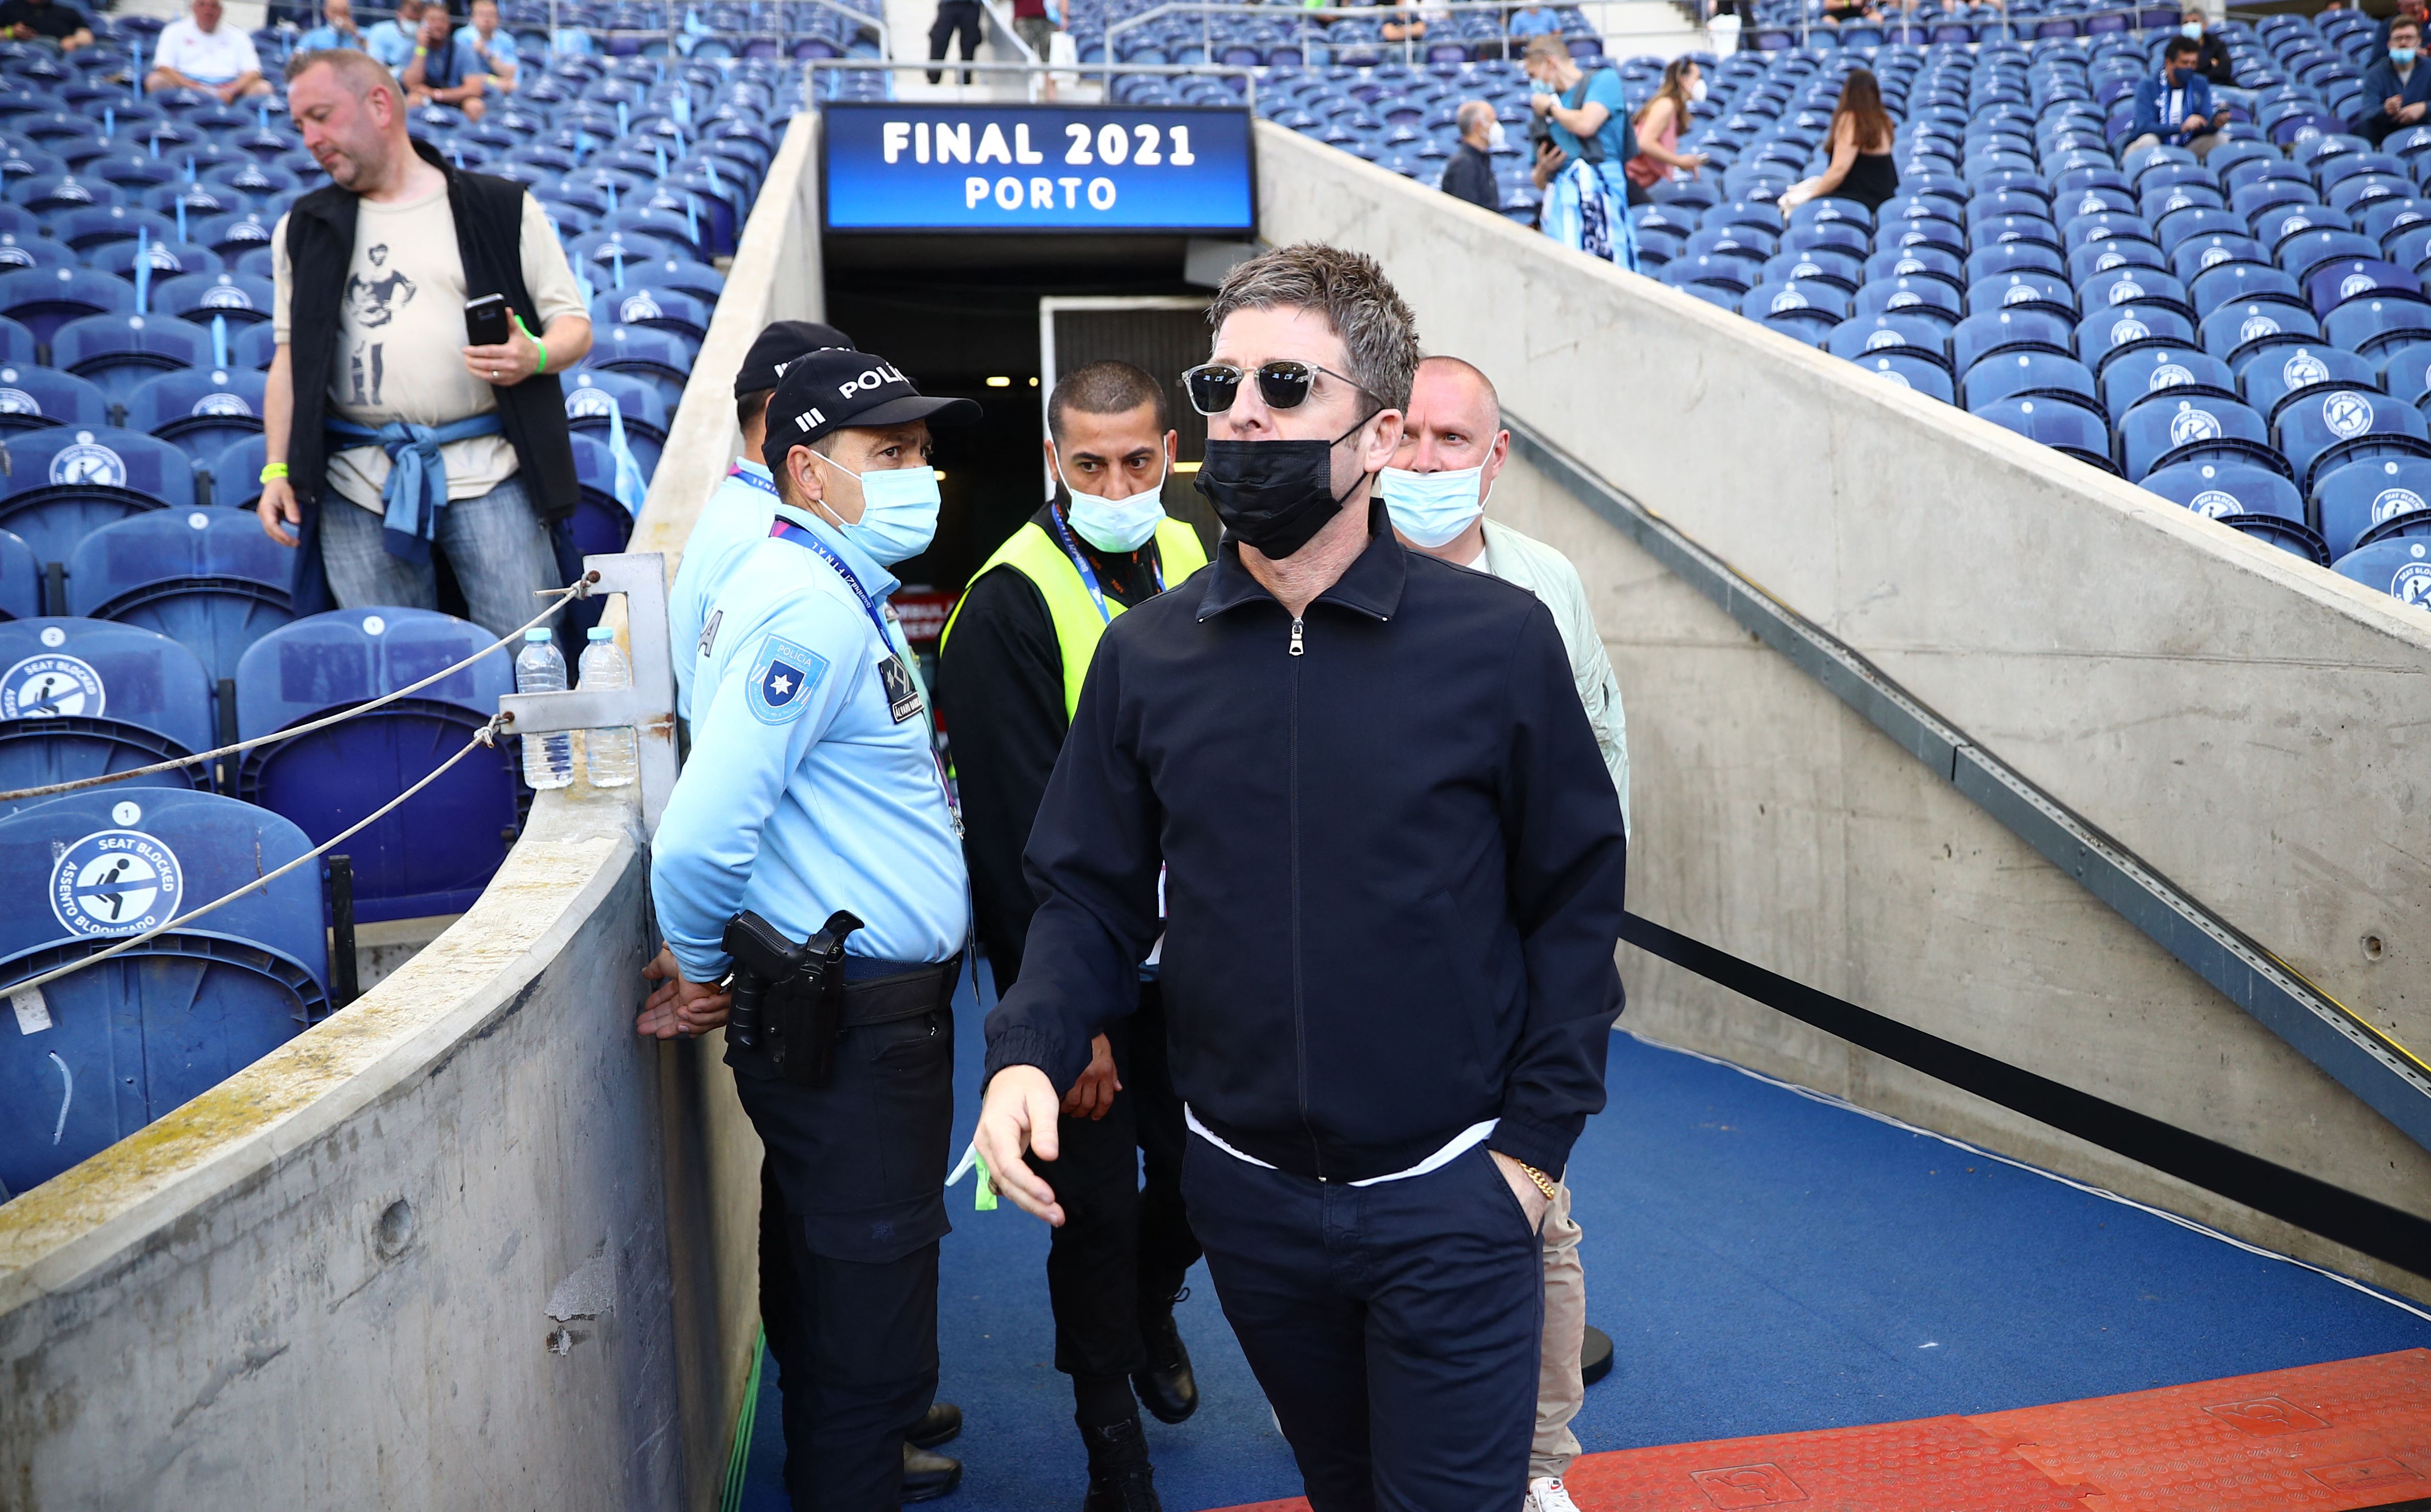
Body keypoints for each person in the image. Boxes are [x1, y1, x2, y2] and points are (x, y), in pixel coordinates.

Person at [971, 242, 1630, 1512]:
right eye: (1220, 387)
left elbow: (1570, 897)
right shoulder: (1146, 656)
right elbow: (1088, 895)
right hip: (1248, 1204)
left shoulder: (1497, 644)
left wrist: (1532, 1149)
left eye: (1285, 385)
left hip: (1457, 1194)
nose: (1241, 416)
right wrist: (1023, 1051)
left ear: (1377, 433)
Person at [643, 349, 980, 1510]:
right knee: (862, 1319)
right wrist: (693, 972)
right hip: (855, 1028)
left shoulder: (824, 584)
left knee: (828, 1272)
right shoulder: (804, 604)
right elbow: (697, 838)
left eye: (919, 451)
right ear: (805, 469)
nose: (917, 474)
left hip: (858, 1019)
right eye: (887, 454)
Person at [934, 362, 1210, 1512]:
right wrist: (1070, 1024)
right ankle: (1115, 1458)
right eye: (1089, 463)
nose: (1116, 481)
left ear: (1169, 455)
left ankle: (1157, 1300)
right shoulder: (1006, 600)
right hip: (1087, 974)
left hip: (1201, 965)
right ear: (1054, 461)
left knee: (1207, 1187)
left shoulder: (1199, 555)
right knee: (1090, 1214)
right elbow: (1007, 843)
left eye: (1137, 460)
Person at [1377, 355, 1629, 1512]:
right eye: (1410, 435)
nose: (1426, 460)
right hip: (1370, 977)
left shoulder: (1546, 585)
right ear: (1376, 439)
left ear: (1495, 452)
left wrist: (1574, 943)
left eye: (1452, 438)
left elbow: (1598, 767)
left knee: (1536, 1217)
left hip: (1514, 975)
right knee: (1362, 1214)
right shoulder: (1321, 581)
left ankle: (1535, 1467)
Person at [258, 49, 592, 640]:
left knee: (530, 659)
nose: (310, 138)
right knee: (393, 680)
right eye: (300, 124)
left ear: (380, 104)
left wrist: (532, 356)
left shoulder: (500, 206)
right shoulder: (302, 228)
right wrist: (277, 469)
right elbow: (290, 360)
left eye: (322, 116)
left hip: (489, 471)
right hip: (354, 483)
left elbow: (574, 327)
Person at [670, 318, 857, 728]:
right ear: (779, 411)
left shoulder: (757, 513)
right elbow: (751, 733)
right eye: (847, 408)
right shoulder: (761, 534)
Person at [1526, 35, 1639, 268]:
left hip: (1601, 189)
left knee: (1612, 267)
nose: (1533, 83)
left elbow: (1586, 124)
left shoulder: (1603, 80)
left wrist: (1551, 109)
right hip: (1562, 200)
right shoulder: (1542, 115)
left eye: (1533, 75)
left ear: (1550, 63)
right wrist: (1544, 169)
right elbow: (1538, 181)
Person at [1778, 66, 1897, 216]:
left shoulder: (1853, 120)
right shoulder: (1884, 120)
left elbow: (1839, 170)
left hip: (1860, 200)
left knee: (1796, 205)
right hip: (1883, 199)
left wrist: (1811, 197)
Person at [2125, 35, 2229, 162]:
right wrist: (2181, 128)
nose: (2189, 68)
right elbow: (2144, 127)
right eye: (2185, 63)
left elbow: (2204, 123)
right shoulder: (2148, 85)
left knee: (2221, 139)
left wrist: (2215, 124)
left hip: (2186, 147)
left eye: (2194, 63)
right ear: (2169, 63)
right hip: (2150, 148)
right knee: (2149, 140)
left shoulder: (2200, 83)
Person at [146, 0, 270, 99]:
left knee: (263, 88)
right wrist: (189, 86)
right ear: (193, 8)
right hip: (184, 84)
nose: (208, 11)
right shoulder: (174, 31)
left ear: (221, 11)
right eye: (202, 5)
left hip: (229, 87)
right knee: (156, 80)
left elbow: (253, 71)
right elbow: (163, 66)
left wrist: (232, 90)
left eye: (213, 6)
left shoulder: (238, 36)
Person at [1624, 57, 1710, 197]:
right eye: (1698, 77)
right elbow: (1644, 142)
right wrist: (1679, 161)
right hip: (1628, 179)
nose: (1701, 83)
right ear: (1684, 80)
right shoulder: (1666, 105)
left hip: (1634, 181)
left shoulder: (1673, 107)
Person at [400, 3, 489, 120]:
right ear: (423, 23)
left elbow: (475, 89)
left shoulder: (463, 51)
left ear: (448, 24)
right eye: (432, 20)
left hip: (455, 99)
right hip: (425, 99)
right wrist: (422, 48)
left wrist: (436, 94)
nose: (438, 25)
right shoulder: (413, 50)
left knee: (475, 105)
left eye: (442, 21)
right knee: (413, 100)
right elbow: (411, 84)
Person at [2358, 17, 2431, 148]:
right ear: (2389, 44)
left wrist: (2424, 108)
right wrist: (2385, 110)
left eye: (2409, 38)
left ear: (2419, 42)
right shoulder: (2375, 73)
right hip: (2388, 139)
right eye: (2398, 39)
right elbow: (2367, 113)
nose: (2403, 43)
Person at [1439, 99, 1504, 212]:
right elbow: (1467, 214)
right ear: (1479, 126)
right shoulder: (1463, 164)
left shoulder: (1482, 160)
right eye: (1493, 121)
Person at [465, 0, 519, 92]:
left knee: (514, 86)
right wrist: (495, 81)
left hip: (501, 85)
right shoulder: (463, 37)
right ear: (473, 18)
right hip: (473, 87)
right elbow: (467, 75)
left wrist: (486, 53)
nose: (487, 19)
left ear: (498, 19)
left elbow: (510, 74)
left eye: (491, 15)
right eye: (482, 15)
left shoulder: (507, 40)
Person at [0, 0, 91, 52]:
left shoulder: (67, 12)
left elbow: (86, 36)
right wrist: (11, 32)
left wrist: (74, 41)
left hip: (56, 56)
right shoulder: (9, 8)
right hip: (17, 54)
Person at [927, 0, 981, 85]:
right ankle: (933, 79)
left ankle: (965, 81)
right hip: (948, 4)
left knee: (969, 44)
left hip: (971, 5)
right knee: (939, 40)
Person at [365, 0, 426, 72]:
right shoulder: (380, 31)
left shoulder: (426, 34)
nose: (413, 23)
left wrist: (422, 46)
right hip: (386, 76)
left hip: (414, 76)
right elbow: (375, 64)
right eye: (410, 19)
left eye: (417, 21)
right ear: (399, 14)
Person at [296, 0, 365, 53]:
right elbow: (296, 58)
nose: (340, 16)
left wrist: (356, 34)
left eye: (345, 12)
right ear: (326, 13)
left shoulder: (363, 34)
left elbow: (373, 55)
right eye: (335, 12)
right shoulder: (312, 36)